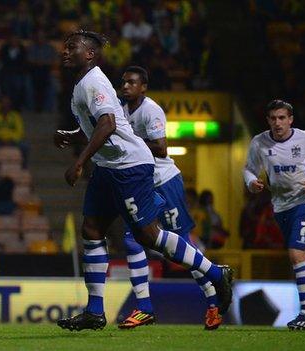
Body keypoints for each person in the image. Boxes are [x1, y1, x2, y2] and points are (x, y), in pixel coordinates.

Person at [54, 30, 232, 331]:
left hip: (129, 166)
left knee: (148, 236)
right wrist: (74, 135)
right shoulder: (81, 83)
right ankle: (95, 311)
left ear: (90, 54)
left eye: (72, 47)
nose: (65, 51)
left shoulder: (94, 81)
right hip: (108, 166)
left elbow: (109, 124)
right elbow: (104, 123)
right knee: (92, 229)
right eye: (65, 46)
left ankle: (216, 273)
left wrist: (80, 161)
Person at [118, 66, 222, 330]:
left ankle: (213, 302)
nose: (126, 86)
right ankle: (144, 307)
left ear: (143, 87)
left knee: (182, 250)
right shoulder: (120, 108)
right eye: (123, 82)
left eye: (132, 83)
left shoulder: (151, 110)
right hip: (144, 186)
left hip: (165, 182)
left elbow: (162, 149)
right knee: (132, 240)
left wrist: (129, 141)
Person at [243, 99, 305, 331]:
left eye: (282, 118)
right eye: (273, 118)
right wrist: (251, 182)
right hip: (281, 206)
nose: (277, 123)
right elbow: (248, 168)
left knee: (296, 253)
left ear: (290, 120)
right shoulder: (259, 142)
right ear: (268, 120)